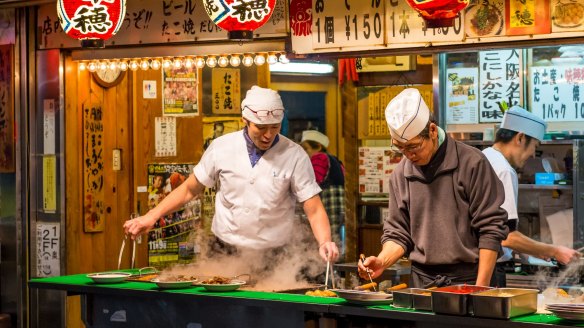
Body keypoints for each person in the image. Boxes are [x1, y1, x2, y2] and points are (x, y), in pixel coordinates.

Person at [124, 86, 339, 265]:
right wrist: (151, 216)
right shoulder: (221, 147)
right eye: (261, 127)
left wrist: (325, 241)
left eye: (275, 127)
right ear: (244, 120)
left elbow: (314, 207)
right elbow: (190, 189)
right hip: (225, 249)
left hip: (274, 255)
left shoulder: (295, 155)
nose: (268, 135)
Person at [358, 88, 509, 288]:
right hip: (423, 283)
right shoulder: (400, 174)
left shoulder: (472, 163)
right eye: (399, 147)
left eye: (413, 147)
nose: (407, 155)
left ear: (432, 131)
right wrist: (382, 261)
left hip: (470, 278)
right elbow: (398, 232)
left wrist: (480, 289)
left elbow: (490, 229)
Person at [482, 106, 580, 287]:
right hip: (490, 269)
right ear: (520, 138)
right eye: (535, 146)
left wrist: (533, 251)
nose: (533, 154)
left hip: (475, 266)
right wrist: (554, 251)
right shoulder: (504, 170)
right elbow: (506, 236)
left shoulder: (484, 157)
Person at [300, 130, 346, 260]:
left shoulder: (319, 157)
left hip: (329, 202)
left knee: (326, 236)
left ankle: (327, 264)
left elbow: (313, 181)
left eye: (306, 148)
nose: (304, 153)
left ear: (318, 147)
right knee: (335, 237)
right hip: (340, 204)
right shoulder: (335, 159)